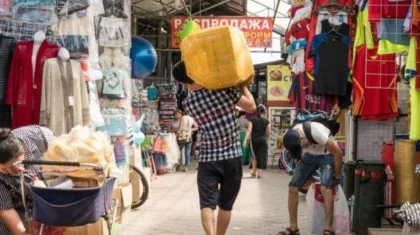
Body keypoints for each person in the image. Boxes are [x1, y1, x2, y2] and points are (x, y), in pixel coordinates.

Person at [172, 60, 256, 235]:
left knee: (207, 204)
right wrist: (242, 86)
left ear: (182, 83)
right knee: (226, 205)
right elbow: (251, 106)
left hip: (207, 159)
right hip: (232, 157)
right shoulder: (223, 89)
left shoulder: (188, 104)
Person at [279, 121, 343, 235]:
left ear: (301, 138)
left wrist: (337, 177)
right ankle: (293, 228)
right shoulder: (288, 136)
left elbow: (338, 153)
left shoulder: (316, 132)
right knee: (292, 187)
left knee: (325, 187)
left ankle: (328, 228)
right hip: (309, 156)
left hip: (326, 154)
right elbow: (297, 157)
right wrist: (307, 175)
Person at [0, 125, 55, 235]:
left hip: (52, 195)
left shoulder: (39, 136)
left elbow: (63, 157)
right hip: (20, 206)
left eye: (14, 166)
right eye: (4, 170)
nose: (11, 172)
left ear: (23, 152)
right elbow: (6, 209)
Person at [243, 105, 270, 178]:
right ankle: (260, 172)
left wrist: (245, 140)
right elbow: (268, 132)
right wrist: (266, 138)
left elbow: (249, 130)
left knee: (254, 155)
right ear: (264, 111)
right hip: (263, 140)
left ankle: (254, 172)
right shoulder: (266, 120)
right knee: (262, 155)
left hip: (254, 140)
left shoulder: (251, 119)